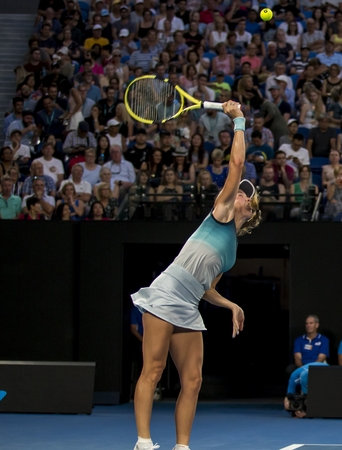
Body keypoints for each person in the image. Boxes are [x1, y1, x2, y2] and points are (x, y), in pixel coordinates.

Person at [130, 101, 261, 450]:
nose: (240, 194)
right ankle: (143, 443)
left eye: (246, 194)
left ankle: (182, 447)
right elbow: (237, 163)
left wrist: (230, 304)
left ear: (250, 210)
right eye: (240, 191)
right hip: (166, 293)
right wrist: (239, 122)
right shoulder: (219, 211)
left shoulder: (230, 251)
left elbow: (206, 290)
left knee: (193, 380)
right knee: (153, 370)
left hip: (188, 304)